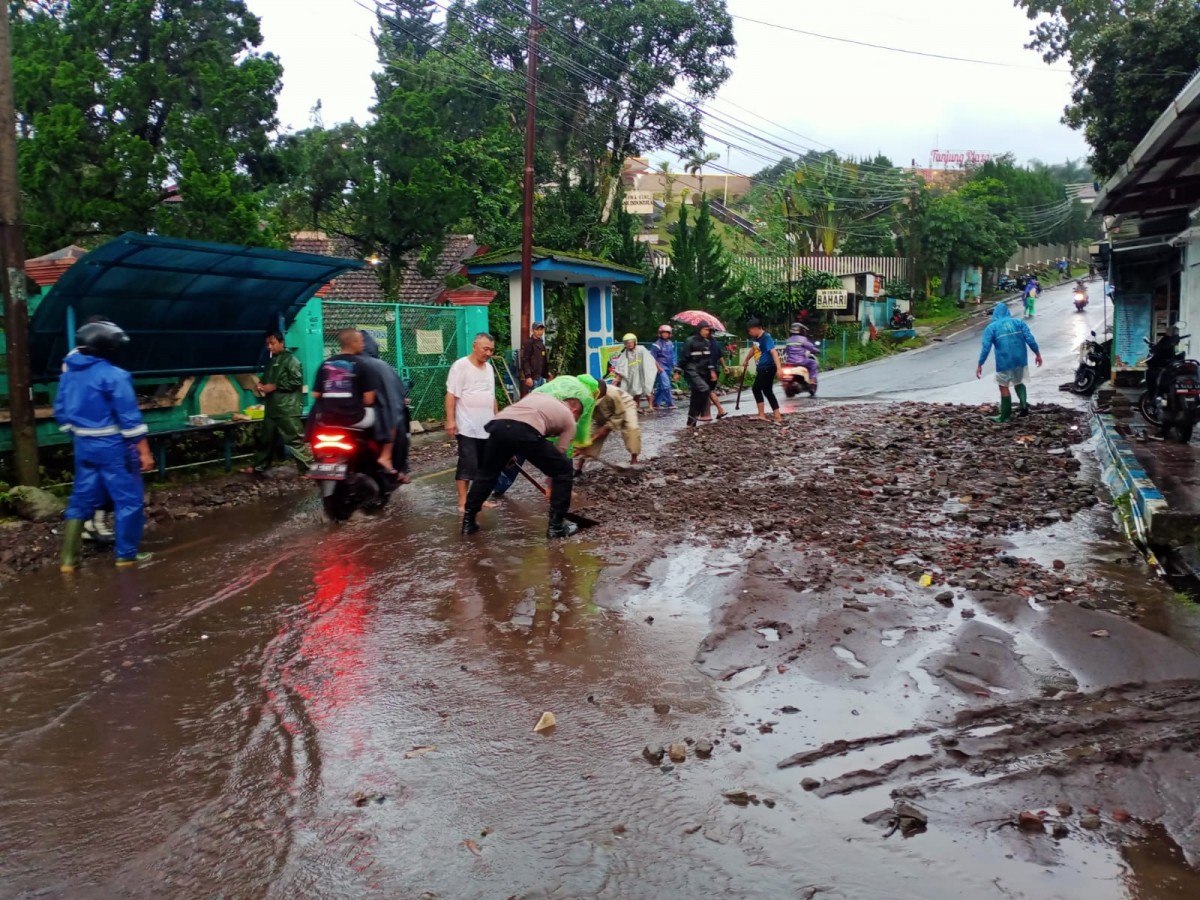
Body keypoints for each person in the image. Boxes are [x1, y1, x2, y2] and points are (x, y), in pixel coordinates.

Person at [55, 320, 156, 571]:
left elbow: (61, 411)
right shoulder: (115, 376)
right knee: (128, 500)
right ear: (108, 348)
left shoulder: (69, 374)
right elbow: (130, 420)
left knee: (80, 498)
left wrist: (79, 435)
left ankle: (68, 560)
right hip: (113, 447)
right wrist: (144, 451)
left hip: (83, 446)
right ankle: (126, 556)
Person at [461, 394, 583, 539]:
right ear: (574, 410)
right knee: (563, 470)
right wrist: (552, 486)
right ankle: (556, 527)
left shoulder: (541, 397)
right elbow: (559, 455)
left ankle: (468, 522)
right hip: (525, 429)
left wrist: (507, 453)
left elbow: (512, 425)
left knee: (487, 474)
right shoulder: (569, 419)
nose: (576, 421)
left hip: (498, 425)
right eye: (578, 417)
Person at [242, 330, 313, 477]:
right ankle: (259, 467)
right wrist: (260, 385)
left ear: (281, 343)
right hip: (272, 407)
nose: (270, 347)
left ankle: (308, 469)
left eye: (273, 343)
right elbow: (267, 380)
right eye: (267, 344)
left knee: (294, 439)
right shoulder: (272, 361)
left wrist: (273, 387)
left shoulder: (291, 360)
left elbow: (296, 381)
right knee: (266, 439)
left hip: (287, 407)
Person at [446, 333, 499, 512]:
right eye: (485, 349)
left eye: (491, 350)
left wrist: (497, 420)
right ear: (474, 346)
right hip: (467, 425)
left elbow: (492, 397)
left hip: (487, 425)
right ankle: (462, 502)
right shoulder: (461, 366)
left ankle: (479, 498)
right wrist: (451, 420)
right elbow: (451, 394)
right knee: (468, 464)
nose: (489, 353)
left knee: (485, 465)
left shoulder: (489, 369)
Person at [976, 302, 1043, 422]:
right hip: (1020, 359)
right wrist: (1037, 353)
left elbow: (986, 347)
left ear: (995, 314)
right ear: (1007, 312)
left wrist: (980, 364)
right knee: (1018, 382)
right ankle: (1023, 406)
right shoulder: (1018, 323)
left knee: (1003, 386)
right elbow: (1030, 339)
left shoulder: (992, 328)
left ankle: (1005, 416)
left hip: (1004, 361)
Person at [358, 331, 410, 481]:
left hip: (335, 417)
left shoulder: (338, 362)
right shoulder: (380, 366)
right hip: (372, 418)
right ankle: (394, 465)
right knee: (396, 422)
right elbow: (392, 398)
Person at [576, 379, 641, 471]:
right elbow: (584, 419)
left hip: (624, 406)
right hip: (599, 410)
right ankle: (579, 468)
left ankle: (634, 461)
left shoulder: (613, 394)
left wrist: (606, 427)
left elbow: (619, 414)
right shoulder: (584, 395)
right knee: (588, 435)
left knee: (632, 428)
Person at [746, 317, 784, 424]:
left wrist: (779, 368)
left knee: (756, 388)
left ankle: (761, 414)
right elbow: (754, 349)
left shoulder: (766, 338)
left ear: (756, 328)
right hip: (763, 368)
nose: (749, 332)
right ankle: (777, 415)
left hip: (767, 367)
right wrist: (746, 359)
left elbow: (774, 352)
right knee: (767, 391)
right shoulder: (757, 339)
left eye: (750, 330)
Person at [609, 333, 658, 411]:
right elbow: (621, 366)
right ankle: (637, 407)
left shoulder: (641, 349)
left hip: (643, 373)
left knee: (648, 388)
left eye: (630, 342)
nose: (629, 344)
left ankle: (650, 406)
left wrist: (657, 368)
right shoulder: (625, 354)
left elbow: (650, 360)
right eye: (627, 343)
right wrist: (617, 379)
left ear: (635, 342)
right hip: (633, 375)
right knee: (635, 391)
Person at [681, 321, 716, 427]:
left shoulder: (707, 343)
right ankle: (697, 416)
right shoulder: (690, 341)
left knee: (695, 396)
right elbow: (683, 357)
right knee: (704, 389)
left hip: (703, 372)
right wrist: (677, 371)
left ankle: (691, 422)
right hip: (691, 371)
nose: (707, 332)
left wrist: (712, 371)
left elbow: (709, 359)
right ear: (699, 329)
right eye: (705, 329)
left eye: (708, 330)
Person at [781, 322, 820, 387]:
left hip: (790, 362)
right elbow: (811, 347)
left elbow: (786, 350)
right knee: (813, 363)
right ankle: (812, 379)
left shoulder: (788, 340)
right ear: (801, 331)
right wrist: (817, 350)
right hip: (801, 361)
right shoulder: (803, 339)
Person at [650, 325, 677, 410]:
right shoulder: (656, 345)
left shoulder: (670, 344)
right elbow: (652, 358)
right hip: (661, 368)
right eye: (663, 333)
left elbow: (673, 356)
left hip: (668, 367)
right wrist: (658, 367)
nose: (665, 335)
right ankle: (670, 403)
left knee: (661, 386)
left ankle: (656, 403)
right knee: (666, 385)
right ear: (660, 334)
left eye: (667, 333)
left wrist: (675, 365)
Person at [520, 321, 549, 393]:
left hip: (541, 377)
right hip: (533, 378)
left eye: (541, 330)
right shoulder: (529, 343)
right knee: (534, 400)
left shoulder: (541, 343)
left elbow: (543, 360)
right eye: (537, 330)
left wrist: (547, 374)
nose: (540, 332)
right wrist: (528, 376)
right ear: (532, 330)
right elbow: (525, 360)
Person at [705, 335, 728, 420]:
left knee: (708, 391)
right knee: (709, 391)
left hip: (709, 370)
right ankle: (713, 412)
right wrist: (725, 367)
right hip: (716, 370)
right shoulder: (715, 343)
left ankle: (712, 412)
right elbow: (720, 356)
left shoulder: (704, 343)